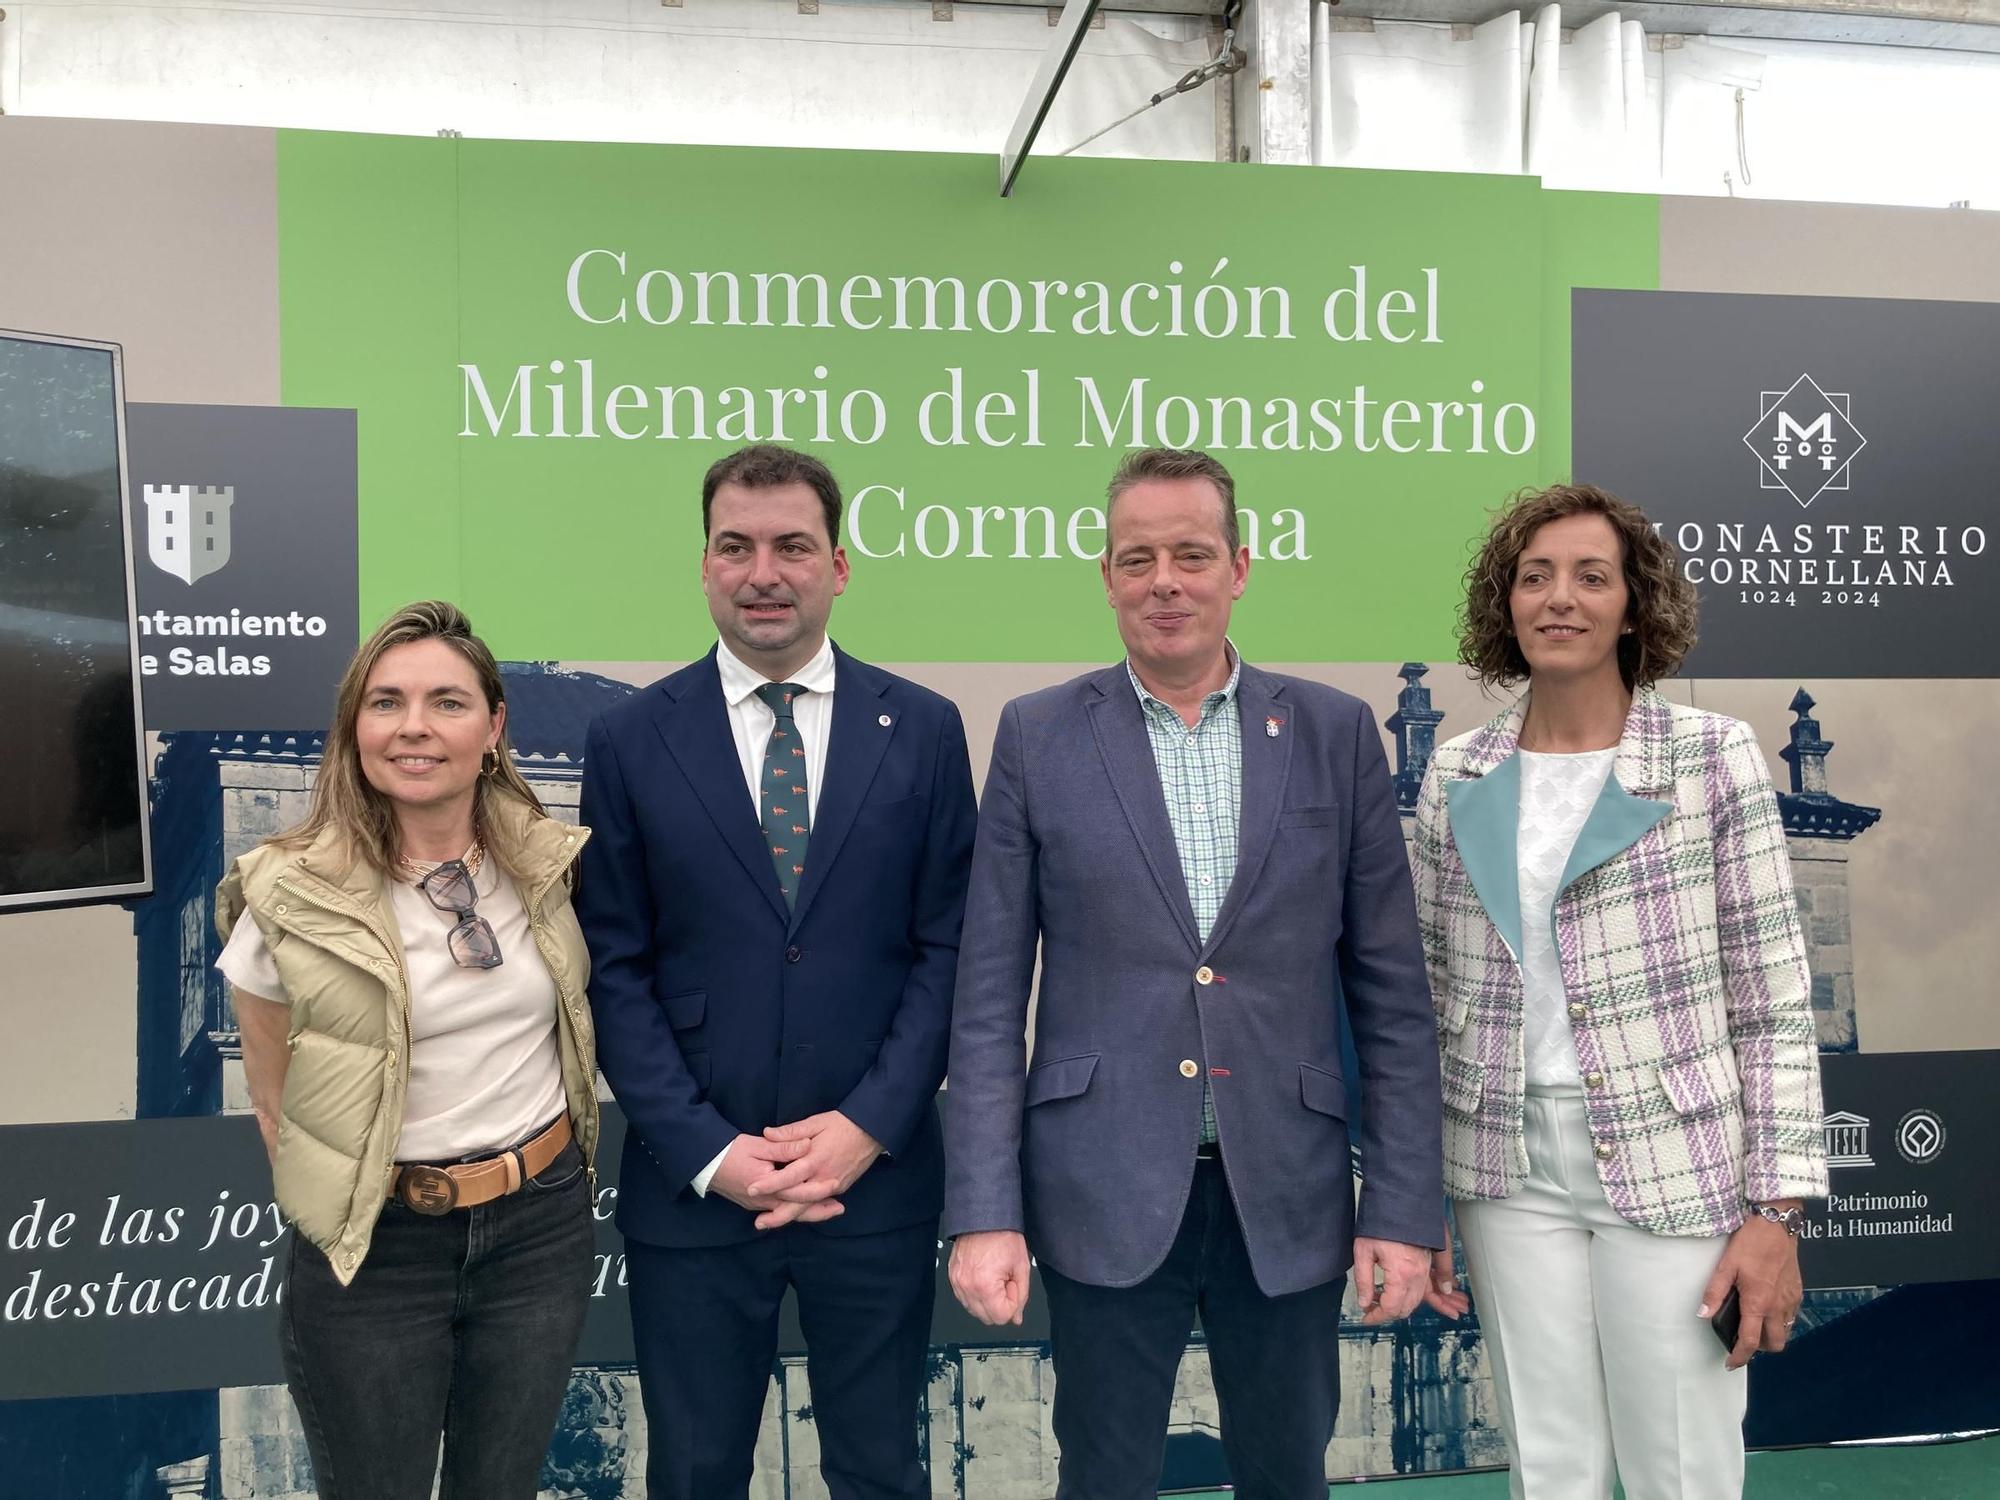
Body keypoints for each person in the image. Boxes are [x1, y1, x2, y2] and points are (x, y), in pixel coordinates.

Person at [943, 446, 1444, 1500]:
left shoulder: (1332, 734)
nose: (1162, 580)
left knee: (1284, 1476)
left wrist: (1400, 1207)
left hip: (1290, 1189)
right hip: (1099, 1186)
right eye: (1136, 558)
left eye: (1189, 554)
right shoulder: (1036, 736)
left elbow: (1391, 1001)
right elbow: (988, 999)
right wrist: (985, 1208)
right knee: (1105, 1478)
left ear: (1238, 568)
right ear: (1107, 576)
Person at [575, 443, 977, 1500]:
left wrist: (863, 1130)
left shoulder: (926, 732)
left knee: (880, 1469)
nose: (764, 571)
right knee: (696, 1472)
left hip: (872, 1190)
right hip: (696, 1195)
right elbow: (612, 967)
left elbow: (950, 953)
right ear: (703, 564)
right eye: (736, 546)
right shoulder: (627, 741)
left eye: (792, 546)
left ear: (837, 566)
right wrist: (710, 1151)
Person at [1412, 483, 1829, 1499]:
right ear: (1503, 604)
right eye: (1534, 576)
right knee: (1548, 1466)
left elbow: (1770, 995)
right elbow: (1421, 996)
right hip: (1503, 1168)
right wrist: (1412, 1191)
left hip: (1672, 1158)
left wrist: (1775, 1208)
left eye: (1589, 577)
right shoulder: (1454, 771)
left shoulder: (1708, 755)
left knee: (1680, 1466)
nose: (1559, 598)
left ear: (1632, 606)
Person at [214, 600, 599, 1500]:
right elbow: (273, 1099)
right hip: (375, 1252)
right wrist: (360, 1200)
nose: (415, 727)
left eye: (447, 702)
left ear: (494, 727)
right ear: (355, 727)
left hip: (538, 1233)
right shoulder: (285, 888)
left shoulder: (550, 865)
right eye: (386, 702)